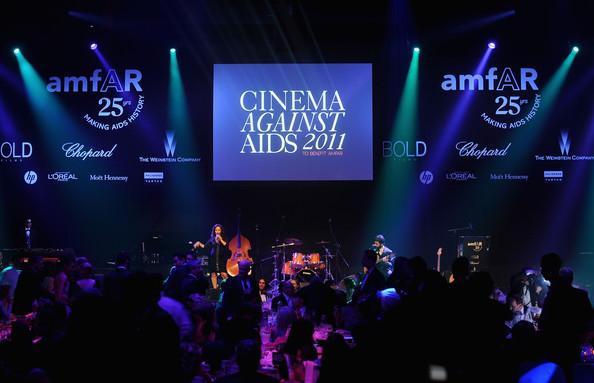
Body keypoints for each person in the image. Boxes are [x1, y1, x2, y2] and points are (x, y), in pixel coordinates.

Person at [194, 224, 229, 289]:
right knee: (213, 274)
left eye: (219, 230)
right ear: (214, 231)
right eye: (216, 230)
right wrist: (199, 243)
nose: (217, 231)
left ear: (221, 231)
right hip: (213, 259)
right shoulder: (212, 239)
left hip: (221, 259)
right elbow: (205, 246)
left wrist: (220, 239)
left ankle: (228, 287)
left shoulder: (224, 238)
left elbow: (226, 245)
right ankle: (215, 289)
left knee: (223, 273)